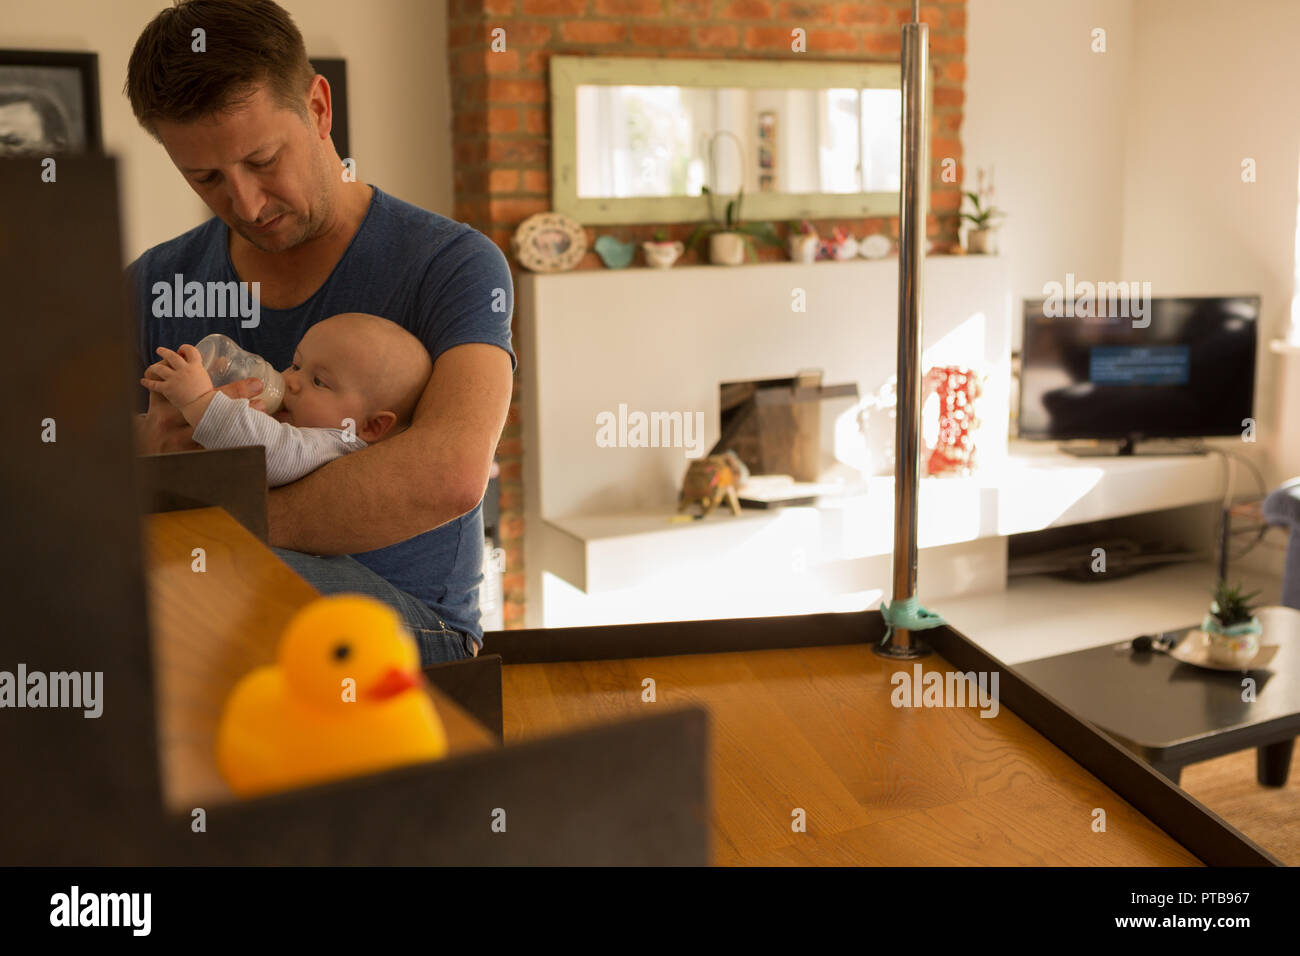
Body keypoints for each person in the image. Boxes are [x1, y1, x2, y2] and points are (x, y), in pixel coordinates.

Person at [124, 0, 515, 665]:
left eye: (264, 160)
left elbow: (451, 475)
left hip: (410, 627)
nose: (246, 204)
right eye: (207, 178)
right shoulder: (156, 281)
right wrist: (149, 448)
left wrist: (214, 522)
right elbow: (76, 473)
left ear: (319, 108)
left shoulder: (450, 263)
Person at [143, 313, 432, 486]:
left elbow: (270, 452)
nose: (291, 381)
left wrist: (198, 399)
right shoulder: (307, 423)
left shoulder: (338, 443)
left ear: (371, 426)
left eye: (319, 381)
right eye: (296, 365)